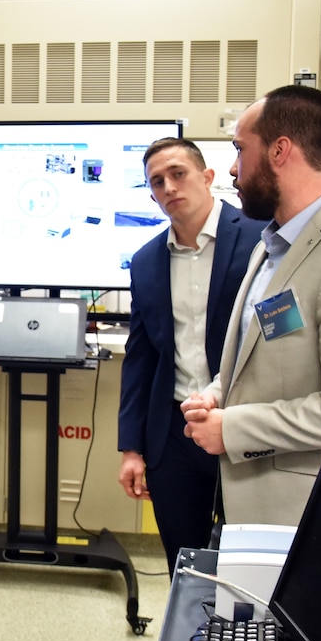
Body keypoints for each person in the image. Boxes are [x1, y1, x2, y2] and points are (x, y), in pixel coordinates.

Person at [181, 85, 321, 526]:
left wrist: (233, 428)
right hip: (247, 499)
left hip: (300, 515)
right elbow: (264, 355)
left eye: (241, 149)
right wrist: (217, 394)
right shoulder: (273, 246)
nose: (232, 168)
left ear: (280, 150)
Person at [117, 137, 263, 575]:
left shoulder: (261, 238)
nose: (169, 188)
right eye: (157, 182)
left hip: (245, 425)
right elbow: (140, 358)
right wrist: (131, 448)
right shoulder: (145, 262)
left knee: (247, 565)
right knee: (184, 562)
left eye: (178, 173)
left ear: (207, 176)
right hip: (174, 435)